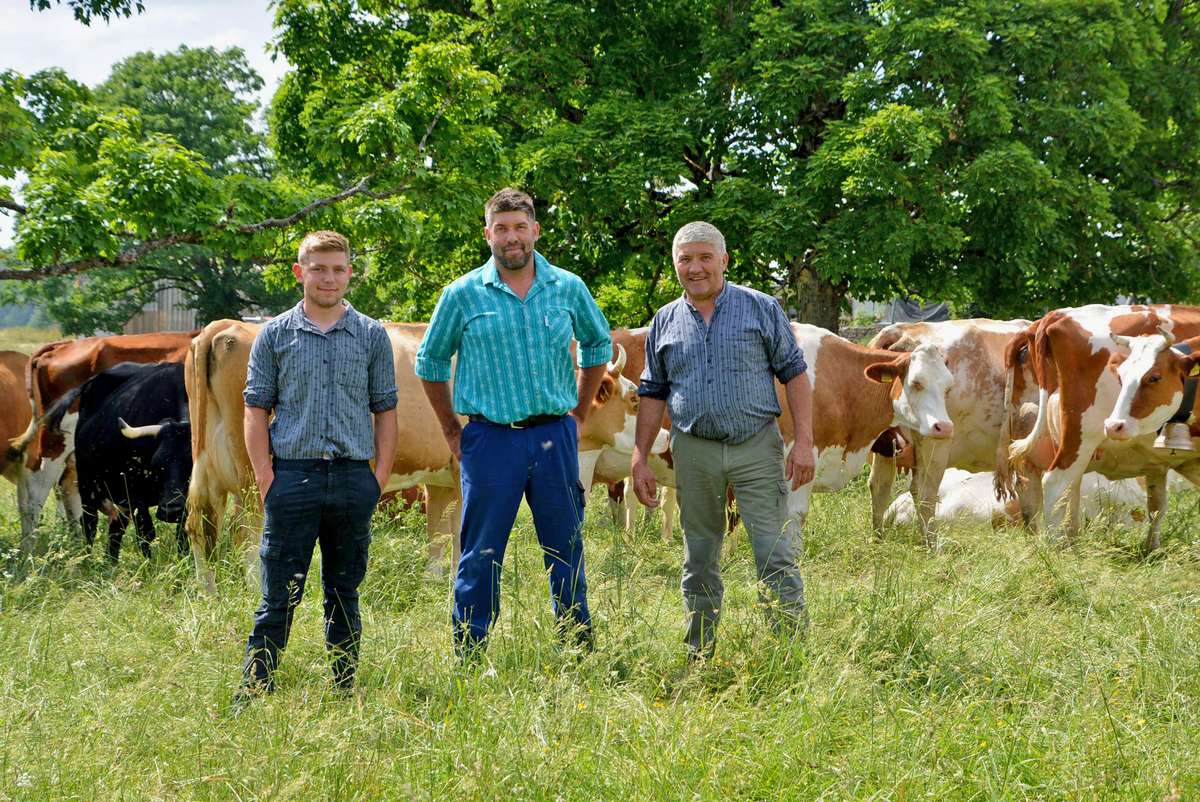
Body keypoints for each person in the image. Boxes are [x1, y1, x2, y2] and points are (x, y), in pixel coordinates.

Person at [416, 187, 612, 658]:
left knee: (565, 545)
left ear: (535, 231)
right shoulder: (462, 294)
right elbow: (430, 361)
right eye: (501, 228)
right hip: (490, 439)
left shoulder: (568, 287)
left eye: (520, 227)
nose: (511, 237)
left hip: (554, 437)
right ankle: (471, 649)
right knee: (480, 552)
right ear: (488, 234)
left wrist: (580, 413)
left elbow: (597, 346)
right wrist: (451, 429)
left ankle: (577, 649)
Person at [630, 221, 814, 662]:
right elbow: (652, 391)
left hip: (756, 447)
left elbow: (793, 373)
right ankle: (699, 651)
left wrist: (804, 441)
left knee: (774, 552)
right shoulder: (665, 321)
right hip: (693, 452)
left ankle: (789, 653)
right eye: (685, 259)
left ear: (724, 261)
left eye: (704, 257)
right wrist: (640, 457)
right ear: (676, 265)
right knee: (699, 556)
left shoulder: (761, 308)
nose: (695, 268)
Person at [236, 230, 397, 702]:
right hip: (294, 475)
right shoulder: (275, 335)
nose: (329, 278)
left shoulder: (370, 336)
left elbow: (385, 409)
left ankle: (344, 687)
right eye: (319, 268)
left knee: (344, 591)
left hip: (351, 478)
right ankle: (255, 688)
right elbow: (255, 409)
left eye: (338, 269)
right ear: (299, 272)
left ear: (350, 273)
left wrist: (378, 476)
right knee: (278, 595)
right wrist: (267, 477)